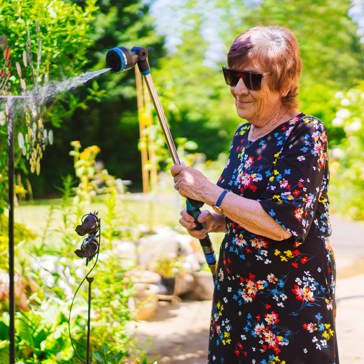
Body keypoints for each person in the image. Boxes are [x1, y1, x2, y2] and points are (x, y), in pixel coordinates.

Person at [171, 26, 338, 363]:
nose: (237, 89)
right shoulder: (243, 136)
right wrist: (213, 222)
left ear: (285, 83)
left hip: (288, 308)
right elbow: (245, 208)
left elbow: (282, 223)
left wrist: (207, 191)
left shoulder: (304, 133)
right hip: (236, 298)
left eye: (252, 79)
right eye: (232, 76)